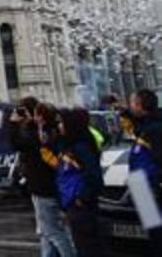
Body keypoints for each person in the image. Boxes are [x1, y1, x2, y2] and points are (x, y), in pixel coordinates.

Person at [9, 97, 76, 257]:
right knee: (46, 232)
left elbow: (18, 143)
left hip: (43, 188)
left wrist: (13, 123)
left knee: (53, 232)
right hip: (48, 187)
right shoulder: (50, 131)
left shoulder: (40, 133)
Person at [53, 107, 105, 257]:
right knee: (82, 245)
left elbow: (93, 175)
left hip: (80, 205)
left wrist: (82, 198)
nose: (59, 126)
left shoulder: (80, 147)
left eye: (62, 123)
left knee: (88, 247)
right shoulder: (69, 144)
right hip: (71, 203)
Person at [122, 89, 162, 251]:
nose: (130, 106)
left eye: (132, 103)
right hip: (140, 184)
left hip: (149, 184)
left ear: (140, 105)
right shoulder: (147, 124)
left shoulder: (154, 128)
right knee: (152, 232)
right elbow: (131, 123)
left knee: (156, 233)